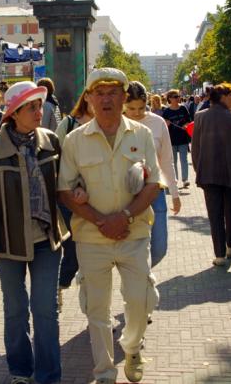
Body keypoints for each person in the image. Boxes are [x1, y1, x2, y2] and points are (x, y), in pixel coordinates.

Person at [58, 68, 161, 384]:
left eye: (113, 92)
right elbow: (63, 189)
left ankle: (132, 348)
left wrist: (124, 217)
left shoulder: (140, 134)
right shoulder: (75, 140)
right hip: (92, 237)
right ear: (88, 99)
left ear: (124, 97)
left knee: (141, 299)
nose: (106, 99)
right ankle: (104, 372)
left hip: (135, 233)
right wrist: (102, 221)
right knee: (98, 311)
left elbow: (153, 183)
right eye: (99, 93)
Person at [0, 81, 68, 384]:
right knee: (15, 310)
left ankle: (49, 376)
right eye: (33, 107)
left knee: (45, 311)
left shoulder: (51, 141)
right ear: (14, 112)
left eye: (40, 106)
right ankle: (21, 371)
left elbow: (65, 188)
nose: (40, 112)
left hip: (47, 242)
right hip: (6, 243)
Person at [191, 83, 231, 266]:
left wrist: (198, 169)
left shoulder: (200, 117)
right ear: (223, 97)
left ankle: (219, 255)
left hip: (208, 174)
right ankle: (230, 246)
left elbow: (195, 148)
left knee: (215, 214)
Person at [124, 81, 181, 268]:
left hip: (155, 191)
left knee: (159, 248)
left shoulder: (157, 123)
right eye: (131, 108)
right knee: (132, 248)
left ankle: (140, 276)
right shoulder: (117, 123)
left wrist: (175, 194)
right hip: (126, 194)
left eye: (141, 108)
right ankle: (137, 282)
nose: (136, 113)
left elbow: (166, 160)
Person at [54, 90, 94, 308]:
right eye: (96, 94)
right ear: (86, 97)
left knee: (94, 252)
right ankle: (60, 285)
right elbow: (56, 159)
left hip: (98, 198)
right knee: (73, 249)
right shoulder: (69, 124)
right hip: (69, 197)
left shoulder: (108, 125)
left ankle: (92, 305)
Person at [162, 89, 192, 189]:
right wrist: (166, 124)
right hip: (171, 140)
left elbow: (189, 121)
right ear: (170, 98)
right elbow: (163, 126)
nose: (178, 98)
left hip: (183, 138)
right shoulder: (166, 111)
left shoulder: (183, 108)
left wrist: (186, 125)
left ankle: (185, 180)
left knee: (184, 160)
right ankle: (174, 180)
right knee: (173, 161)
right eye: (175, 96)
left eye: (178, 96)